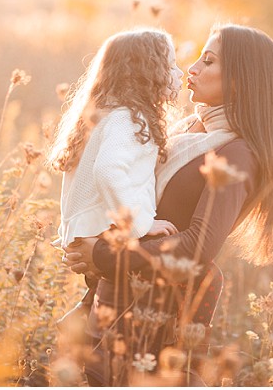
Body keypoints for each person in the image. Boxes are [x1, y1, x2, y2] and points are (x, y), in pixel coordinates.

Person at [63, 24, 273, 386]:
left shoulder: (237, 153)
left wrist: (104, 255)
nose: (193, 68)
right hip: (119, 289)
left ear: (240, 79)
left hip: (157, 308)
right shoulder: (185, 129)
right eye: (199, 57)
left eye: (209, 60)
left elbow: (197, 246)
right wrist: (88, 241)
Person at [47, 28, 183, 318]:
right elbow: (108, 171)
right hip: (106, 234)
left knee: (102, 311)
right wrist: (140, 226)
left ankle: (79, 328)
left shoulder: (107, 115)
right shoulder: (128, 120)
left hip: (90, 233)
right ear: (150, 72)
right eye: (172, 65)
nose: (180, 73)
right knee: (121, 317)